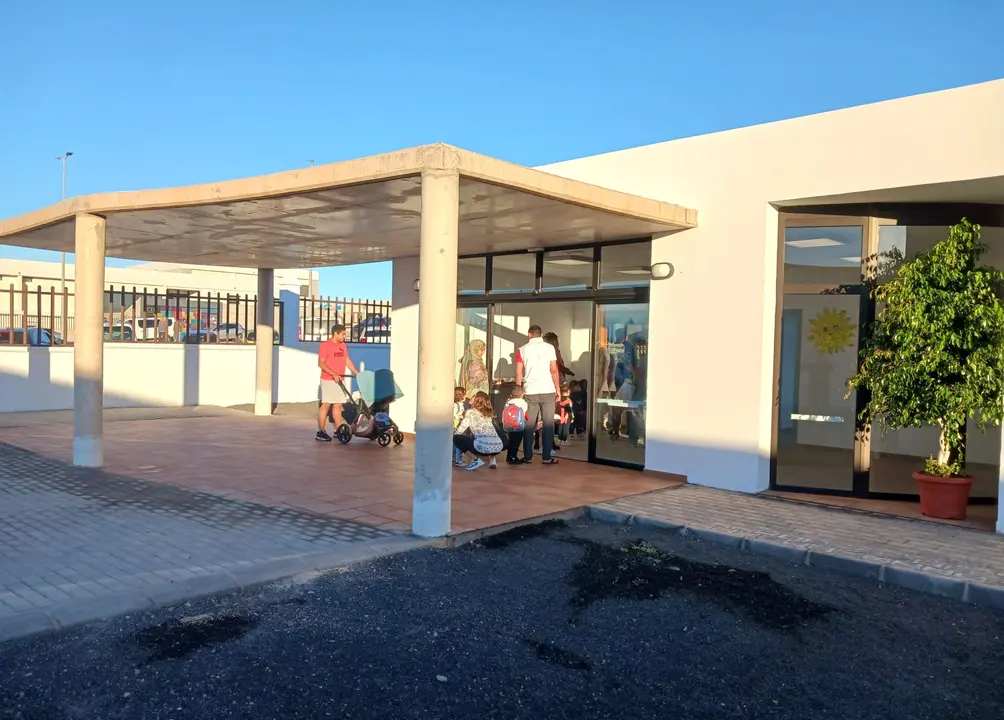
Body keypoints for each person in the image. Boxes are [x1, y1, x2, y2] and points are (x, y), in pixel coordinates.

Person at [515, 325, 561, 465]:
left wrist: (518, 390)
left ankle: (528, 456)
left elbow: (518, 373)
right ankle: (546, 457)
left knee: (529, 425)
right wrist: (557, 388)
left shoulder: (522, 350)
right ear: (540, 334)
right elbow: (554, 369)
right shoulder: (549, 348)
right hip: (547, 390)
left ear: (529, 334)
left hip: (530, 392)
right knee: (548, 425)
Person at [316, 324, 358, 442]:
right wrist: (333, 373)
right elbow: (321, 363)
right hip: (328, 379)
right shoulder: (325, 346)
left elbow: (346, 360)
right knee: (326, 405)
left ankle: (338, 430)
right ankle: (321, 431)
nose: (345, 336)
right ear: (336, 333)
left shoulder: (343, 346)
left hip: (340, 379)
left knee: (338, 404)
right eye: (343, 334)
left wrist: (357, 373)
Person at [452, 391, 503, 471]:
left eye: (473, 396)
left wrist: (454, 436)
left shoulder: (470, 412)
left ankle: (476, 460)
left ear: (477, 400)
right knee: (482, 437)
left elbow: (461, 429)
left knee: (457, 438)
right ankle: (492, 459)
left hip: (482, 448)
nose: (470, 397)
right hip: (498, 447)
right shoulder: (487, 414)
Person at [502, 385, 530, 464]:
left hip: (509, 425)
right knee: (516, 442)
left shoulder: (508, 402)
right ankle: (513, 457)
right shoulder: (523, 402)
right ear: (522, 394)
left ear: (511, 395)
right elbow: (524, 412)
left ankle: (508, 456)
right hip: (518, 426)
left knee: (511, 441)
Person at [453, 386, 468, 467]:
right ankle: (458, 459)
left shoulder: (460, 404)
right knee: (458, 443)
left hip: (456, 426)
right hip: (457, 427)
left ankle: (453, 458)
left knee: (454, 443)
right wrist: (460, 417)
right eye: (464, 394)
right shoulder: (456, 405)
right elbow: (453, 415)